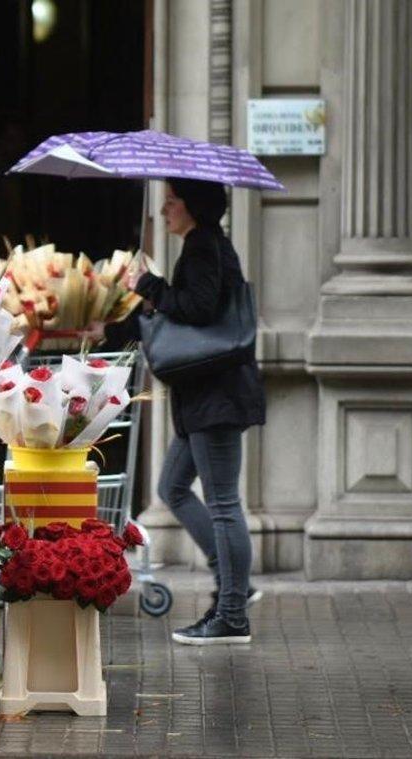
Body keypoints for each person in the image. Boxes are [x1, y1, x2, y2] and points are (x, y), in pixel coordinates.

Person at [122, 178, 266, 645]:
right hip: (206, 398)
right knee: (172, 487)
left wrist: (149, 286)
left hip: (215, 397)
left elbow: (198, 309)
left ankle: (232, 613)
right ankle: (234, 584)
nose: (164, 207)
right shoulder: (204, 245)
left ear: (193, 207)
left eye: (173, 199)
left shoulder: (204, 246)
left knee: (224, 503)